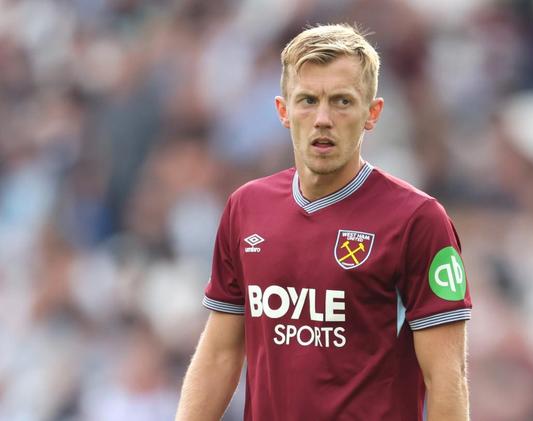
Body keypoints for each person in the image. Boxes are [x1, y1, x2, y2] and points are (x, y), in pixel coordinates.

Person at [175, 23, 472, 421]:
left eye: (342, 101)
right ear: (283, 111)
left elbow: (447, 378)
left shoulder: (418, 221)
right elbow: (220, 354)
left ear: (372, 113)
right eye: (308, 100)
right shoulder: (246, 208)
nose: (323, 118)